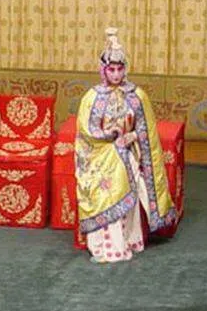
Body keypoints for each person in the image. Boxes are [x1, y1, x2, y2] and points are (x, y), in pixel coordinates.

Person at [74, 28, 176, 263]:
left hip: (127, 155)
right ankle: (105, 248)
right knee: (104, 196)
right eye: (111, 69)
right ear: (103, 70)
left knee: (127, 195)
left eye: (120, 69)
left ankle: (127, 241)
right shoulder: (92, 97)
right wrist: (110, 136)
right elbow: (86, 131)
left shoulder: (136, 95)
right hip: (102, 157)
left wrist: (132, 138)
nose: (116, 74)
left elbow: (146, 130)